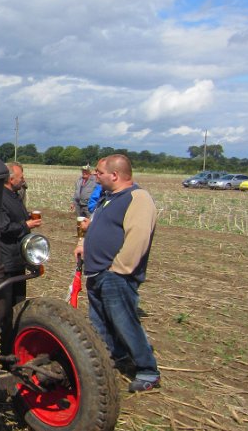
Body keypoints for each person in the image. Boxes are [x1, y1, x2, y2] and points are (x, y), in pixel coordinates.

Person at [73, 154, 160, 393]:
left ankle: (148, 371)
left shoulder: (137, 198)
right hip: (98, 272)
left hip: (116, 274)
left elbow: (138, 237)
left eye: (100, 173)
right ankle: (113, 357)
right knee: (100, 323)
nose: (95, 176)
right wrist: (86, 244)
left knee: (125, 323)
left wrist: (119, 269)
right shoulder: (109, 198)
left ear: (115, 175)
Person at [0, 162, 42, 355]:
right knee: (6, 308)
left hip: (18, 259)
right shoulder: (0, 198)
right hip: (7, 260)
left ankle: (18, 344)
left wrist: (27, 220)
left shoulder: (15, 196)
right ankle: (7, 348)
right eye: (21, 176)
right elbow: (3, 227)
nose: (23, 179)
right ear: (10, 178)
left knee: (19, 304)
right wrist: (27, 225)